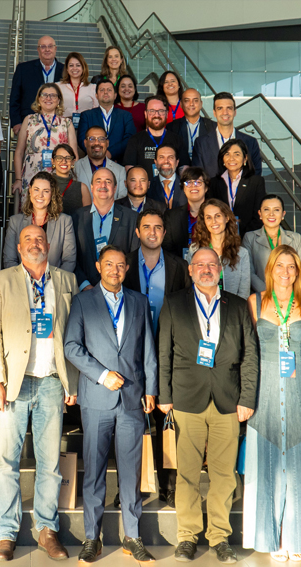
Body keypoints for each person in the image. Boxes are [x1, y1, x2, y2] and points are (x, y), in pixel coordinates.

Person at [0, 225, 80, 562]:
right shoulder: (1, 279)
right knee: (6, 462)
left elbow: (74, 333)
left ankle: (46, 530)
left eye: (40, 239)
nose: (34, 243)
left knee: (50, 463)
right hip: (14, 382)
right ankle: (6, 533)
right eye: (28, 239)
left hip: (52, 381)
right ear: (18, 247)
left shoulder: (66, 280)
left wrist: (71, 382)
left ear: (49, 246)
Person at [158, 247, 258, 564]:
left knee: (224, 475)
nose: (206, 269)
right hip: (186, 398)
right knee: (187, 473)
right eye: (199, 264)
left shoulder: (238, 306)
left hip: (228, 401)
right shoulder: (174, 303)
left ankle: (219, 537)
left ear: (220, 270)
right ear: (190, 270)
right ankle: (187, 537)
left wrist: (247, 398)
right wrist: (164, 395)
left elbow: (250, 356)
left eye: (211, 264)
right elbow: (164, 353)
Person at [63, 245, 158, 563]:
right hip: (97, 398)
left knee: (131, 471)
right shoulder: (83, 301)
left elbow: (148, 349)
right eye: (109, 264)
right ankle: (92, 538)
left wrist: (151, 389)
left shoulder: (139, 301)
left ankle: (133, 536)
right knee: (94, 471)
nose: (115, 270)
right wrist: (103, 375)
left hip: (132, 397)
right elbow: (71, 346)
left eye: (120, 265)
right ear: (98, 266)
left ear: (127, 269)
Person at [244, 244, 301, 561]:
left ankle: (298, 536)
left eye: (291, 267)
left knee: (298, 463)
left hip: (300, 388)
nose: (285, 272)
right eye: (280, 265)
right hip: (265, 390)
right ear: (270, 269)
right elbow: (249, 352)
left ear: (298, 272)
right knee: (268, 462)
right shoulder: (255, 302)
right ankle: (270, 537)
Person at [123, 209, 191, 508]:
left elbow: (187, 310)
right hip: (131, 354)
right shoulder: (123, 263)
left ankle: (169, 486)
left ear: (164, 233)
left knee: (167, 422)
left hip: (168, 355)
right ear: (137, 232)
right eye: (146, 227)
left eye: (158, 227)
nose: (152, 232)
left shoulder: (179, 266)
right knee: (131, 425)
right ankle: (130, 487)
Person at [71, 168, 139, 290]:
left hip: (120, 290)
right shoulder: (76, 217)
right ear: (92, 187)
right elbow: (71, 258)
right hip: (84, 292)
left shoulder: (132, 218)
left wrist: (117, 286)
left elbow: (134, 258)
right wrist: (85, 285)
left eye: (108, 181)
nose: (103, 185)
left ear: (115, 188)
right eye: (98, 181)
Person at [13, 83, 77, 203]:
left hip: (58, 173)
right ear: (38, 99)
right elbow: (19, 152)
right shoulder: (29, 120)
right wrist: (18, 179)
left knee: (55, 207)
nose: (48, 98)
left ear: (59, 100)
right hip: (31, 172)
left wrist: (72, 178)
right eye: (44, 95)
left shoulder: (66, 123)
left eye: (53, 95)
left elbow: (74, 155)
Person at [3, 172, 75, 271]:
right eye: (36, 189)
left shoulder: (65, 221)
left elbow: (69, 260)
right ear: (30, 191)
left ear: (52, 194)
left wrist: (53, 280)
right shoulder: (15, 222)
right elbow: (9, 260)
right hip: (21, 279)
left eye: (46, 191)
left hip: (54, 279)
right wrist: (26, 279)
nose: (40, 195)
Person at [242, 194, 301, 292]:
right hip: (262, 295)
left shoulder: (296, 238)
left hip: (290, 294)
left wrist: (286, 292)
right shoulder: (250, 237)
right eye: (266, 209)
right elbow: (249, 272)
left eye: (276, 210)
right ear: (260, 214)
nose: (271, 214)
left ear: (283, 214)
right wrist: (268, 293)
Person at [189, 198, 251, 299]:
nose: (214, 221)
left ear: (226, 218)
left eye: (217, 216)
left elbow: (244, 293)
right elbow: (190, 285)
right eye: (208, 217)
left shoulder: (242, 253)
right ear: (204, 222)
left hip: (233, 306)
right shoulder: (195, 250)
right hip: (201, 305)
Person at [192, 92, 262, 180]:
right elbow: (198, 175)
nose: (225, 112)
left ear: (235, 112)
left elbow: (256, 175)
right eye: (220, 108)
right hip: (211, 189)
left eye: (229, 108)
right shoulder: (201, 143)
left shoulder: (251, 142)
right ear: (214, 113)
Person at [209, 139, 265, 237]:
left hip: (248, 237)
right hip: (221, 237)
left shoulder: (256, 182)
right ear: (222, 159)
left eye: (237, 154)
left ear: (245, 159)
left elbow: (259, 215)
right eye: (227, 154)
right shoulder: (213, 183)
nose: (231, 158)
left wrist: (243, 236)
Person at [9, 35, 63, 134]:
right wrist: (16, 122)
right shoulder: (23, 69)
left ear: (55, 49)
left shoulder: (65, 71)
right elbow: (14, 98)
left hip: (58, 125)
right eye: (43, 46)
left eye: (50, 46)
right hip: (29, 124)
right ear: (38, 50)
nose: (47, 50)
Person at [123, 95, 187, 177]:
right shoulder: (135, 140)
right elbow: (130, 168)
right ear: (145, 114)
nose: (157, 115)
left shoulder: (177, 140)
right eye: (152, 111)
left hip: (171, 185)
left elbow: (184, 168)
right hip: (144, 185)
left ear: (167, 114)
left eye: (161, 111)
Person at [76, 80, 135, 162]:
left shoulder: (126, 116)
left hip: (119, 162)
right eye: (102, 90)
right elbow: (82, 139)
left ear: (115, 95)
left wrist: (111, 153)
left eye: (109, 90)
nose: (105, 92)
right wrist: (97, 154)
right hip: (93, 161)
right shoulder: (86, 115)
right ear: (96, 95)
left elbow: (130, 138)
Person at [162, 166, 208, 260]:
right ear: (183, 188)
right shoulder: (171, 216)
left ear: (206, 188)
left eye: (198, 182)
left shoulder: (216, 214)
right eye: (188, 183)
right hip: (180, 265)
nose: (193, 186)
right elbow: (167, 249)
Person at [73, 125, 127, 198]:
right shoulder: (75, 168)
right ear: (85, 143)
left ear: (107, 143)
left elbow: (122, 201)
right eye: (92, 139)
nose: (97, 143)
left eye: (101, 139)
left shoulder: (120, 171)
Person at [167, 88, 215, 162]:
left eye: (195, 100)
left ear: (201, 104)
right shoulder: (171, 127)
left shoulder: (213, 127)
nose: (191, 104)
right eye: (187, 100)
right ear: (181, 104)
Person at [56, 52, 97, 129]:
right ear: (67, 69)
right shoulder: (58, 87)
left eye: (78, 65)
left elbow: (96, 112)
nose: (74, 68)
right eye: (71, 65)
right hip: (63, 128)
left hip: (86, 128)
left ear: (83, 68)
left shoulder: (93, 88)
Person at [52, 143, 92, 216]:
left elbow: (87, 218)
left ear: (73, 162)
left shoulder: (82, 188)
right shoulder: (46, 184)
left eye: (68, 158)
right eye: (59, 158)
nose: (64, 161)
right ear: (53, 161)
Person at [147, 145, 186, 210]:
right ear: (155, 162)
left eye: (170, 157)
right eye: (161, 157)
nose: (166, 161)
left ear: (177, 162)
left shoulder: (187, 185)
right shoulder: (148, 186)